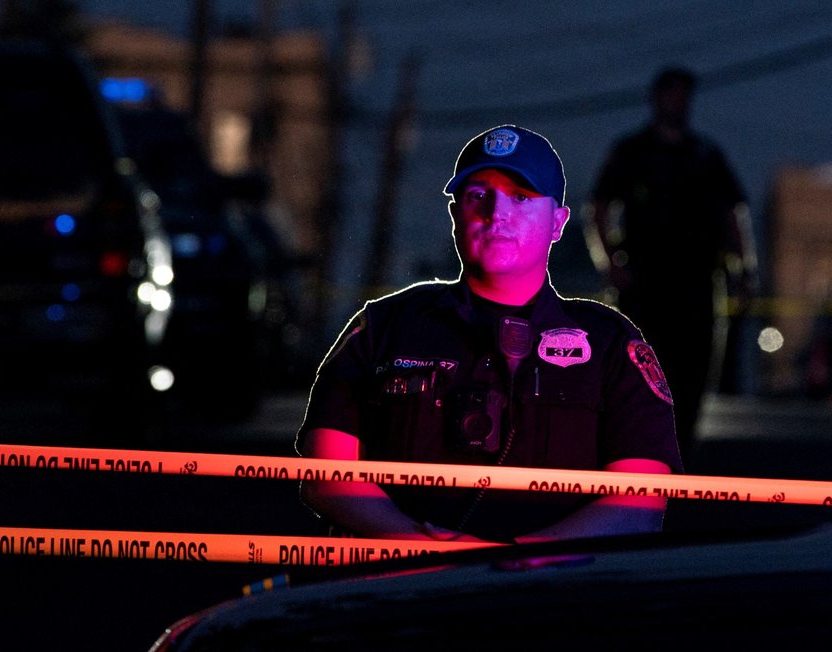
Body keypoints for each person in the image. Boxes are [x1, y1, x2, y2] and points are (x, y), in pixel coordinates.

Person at [295, 124, 683, 544]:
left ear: (558, 222)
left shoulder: (609, 345)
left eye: (520, 197)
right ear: (455, 214)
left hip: (552, 599)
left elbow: (640, 504)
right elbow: (326, 478)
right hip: (404, 592)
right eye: (478, 195)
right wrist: (421, 546)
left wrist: (515, 563)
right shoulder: (385, 327)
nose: (496, 213)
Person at [587, 67, 757, 467]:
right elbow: (598, 209)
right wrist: (610, 263)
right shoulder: (631, 152)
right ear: (657, 98)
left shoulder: (705, 155)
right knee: (640, 370)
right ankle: (635, 455)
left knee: (694, 376)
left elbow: (734, 214)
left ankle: (680, 461)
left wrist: (745, 271)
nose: (677, 103)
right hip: (645, 284)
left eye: (684, 95)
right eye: (671, 94)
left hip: (698, 283)